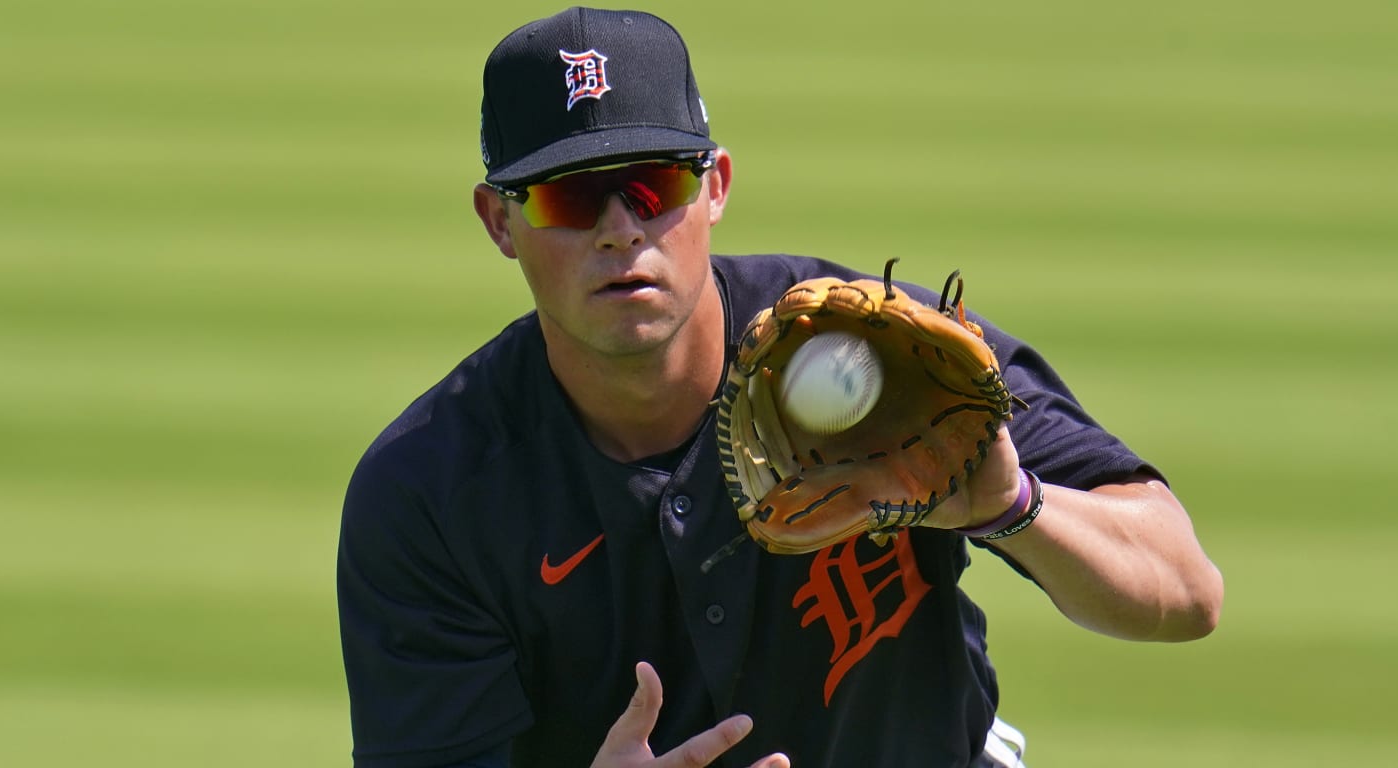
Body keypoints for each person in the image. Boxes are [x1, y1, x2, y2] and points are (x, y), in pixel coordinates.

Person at [336, 7, 1223, 768]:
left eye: (653, 185)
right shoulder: (431, 494)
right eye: (571, 199)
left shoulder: (885, 352)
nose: (621, 229)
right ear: (500, 221)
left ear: (714, 186)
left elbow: (1186, 593)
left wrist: (1011, 507)